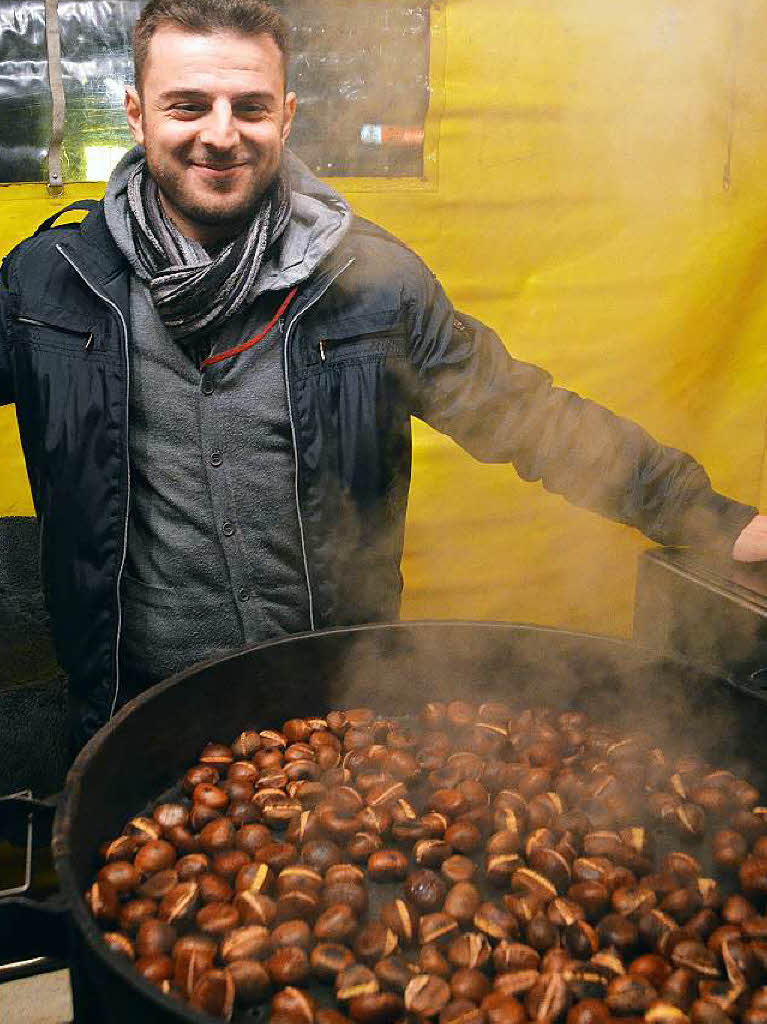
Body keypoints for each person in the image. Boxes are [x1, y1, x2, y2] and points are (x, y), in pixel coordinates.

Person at [1, 0, 766, 749]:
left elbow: (528, 417)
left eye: (251, 106)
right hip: (132, 715)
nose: (221, 134)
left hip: (332, 711)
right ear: (136, 114)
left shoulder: (372, 283)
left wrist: (714, 522)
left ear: (289, 115)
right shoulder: (48, 283)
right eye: (188, 105)